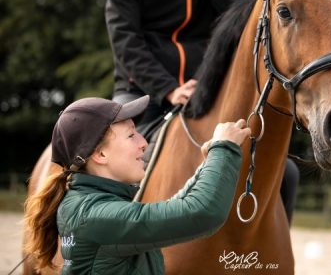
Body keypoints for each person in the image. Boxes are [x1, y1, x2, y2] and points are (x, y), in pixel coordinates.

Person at [105, 0, 299, 224]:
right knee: (110, 161)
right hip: (141, 98)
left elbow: (246, 22)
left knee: (286, 173)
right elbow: (125, 42)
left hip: (206, 99)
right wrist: (167, 89)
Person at [24, 95, 250, 273]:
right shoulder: (96, 216)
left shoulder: (89, 205)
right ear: (100, 154)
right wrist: (223, 148)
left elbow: (177, 206)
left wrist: (207, 165)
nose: (143, 143)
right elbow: (201, 212)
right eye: (131, 135)